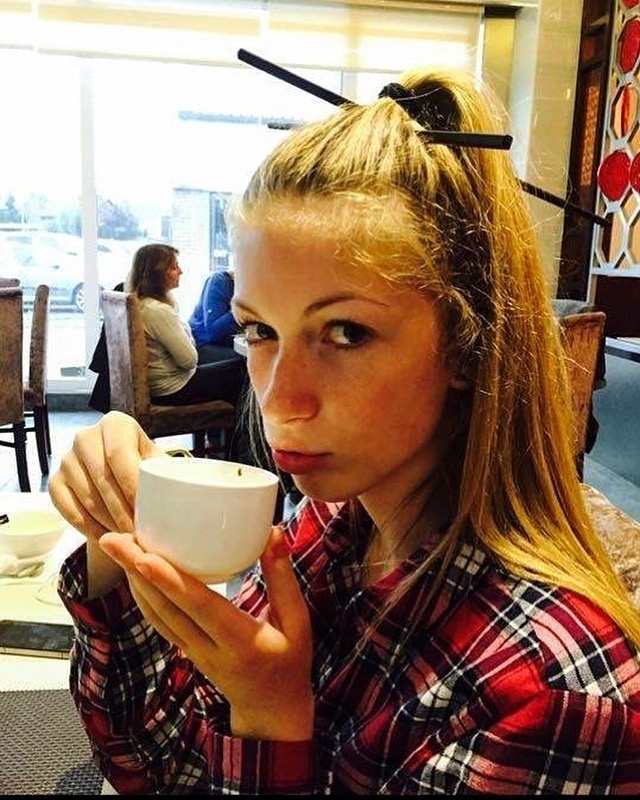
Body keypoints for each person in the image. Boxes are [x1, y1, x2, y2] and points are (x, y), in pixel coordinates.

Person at [48, 68, 640, 795]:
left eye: (347, 332)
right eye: (260, 330)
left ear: (467, 345)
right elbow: (155, 762)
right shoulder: (328, 529)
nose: (278, 399)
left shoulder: (546, 696)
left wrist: (270, 717)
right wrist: (116, 541)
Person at [123, 243, 244, 407]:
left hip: (161, 384)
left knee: (234, 371)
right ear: (156, 274)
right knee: (245, 369)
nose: (180, 271)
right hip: (173, 388)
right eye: (174, 267)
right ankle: (240, 423)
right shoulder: (159, 311)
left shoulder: (143, 304)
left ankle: (227, 422)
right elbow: (189, 360)